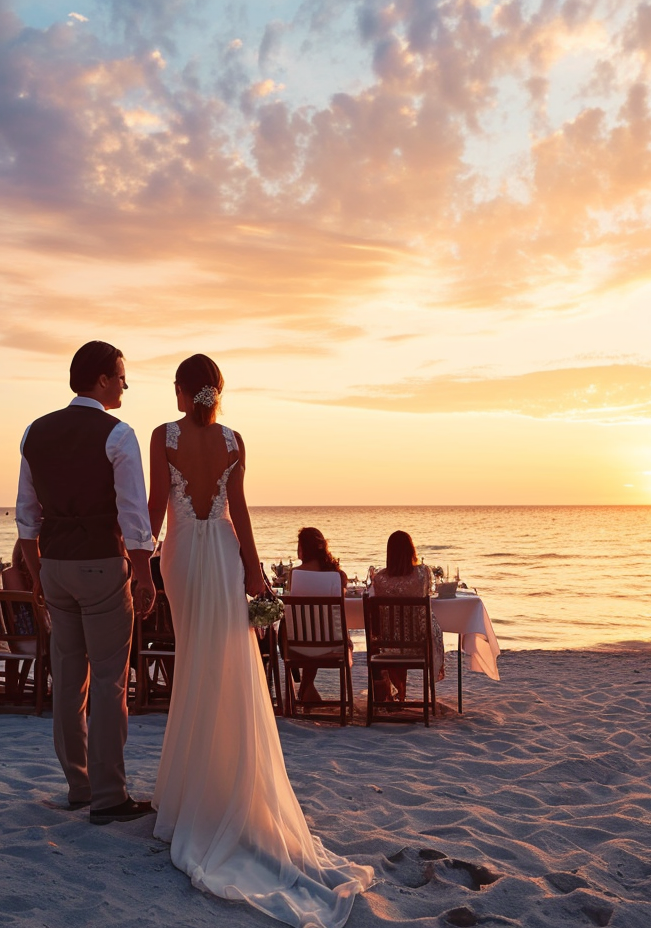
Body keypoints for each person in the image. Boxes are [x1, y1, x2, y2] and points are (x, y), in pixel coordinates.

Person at [146, 353, 372, 928]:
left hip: (179, 558)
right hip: (221, 557)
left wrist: (136, 560)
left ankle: (192, 794)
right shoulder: (236, 441)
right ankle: (219, 786)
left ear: (183, 391)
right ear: (218, 393)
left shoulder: (161, 436)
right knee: (224, 664)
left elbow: (155, 511)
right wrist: (253, 572)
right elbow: (239, 514)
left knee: (193, 659)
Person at [16, 340, 156, 824]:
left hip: (53, 564)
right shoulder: (117, 435)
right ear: (100, 380)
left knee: (69, 679)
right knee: (110, 681)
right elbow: (134, 513)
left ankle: (78, 785)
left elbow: (26, 515)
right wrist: (142, 572)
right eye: (120, 375)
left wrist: (36, 573)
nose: (124, 384)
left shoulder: (35, 431)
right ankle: (109, 794)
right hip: (99, 563)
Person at [370, 530, 445, 702]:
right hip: (418, 644)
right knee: (416, 630)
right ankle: (400, 694)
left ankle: (399, 694)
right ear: (411, 550)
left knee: (392, 637)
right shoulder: (422, 573)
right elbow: (426, 593)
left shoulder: (380, 578)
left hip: (388, 644)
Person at [287, 526, 351, 704]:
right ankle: (307, 689)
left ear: (303, 548)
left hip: (299, 645)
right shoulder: (338, 575)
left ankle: (306, 689)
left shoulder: (294, 574)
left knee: (310, 632)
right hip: (333, 645)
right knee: (321, 632)